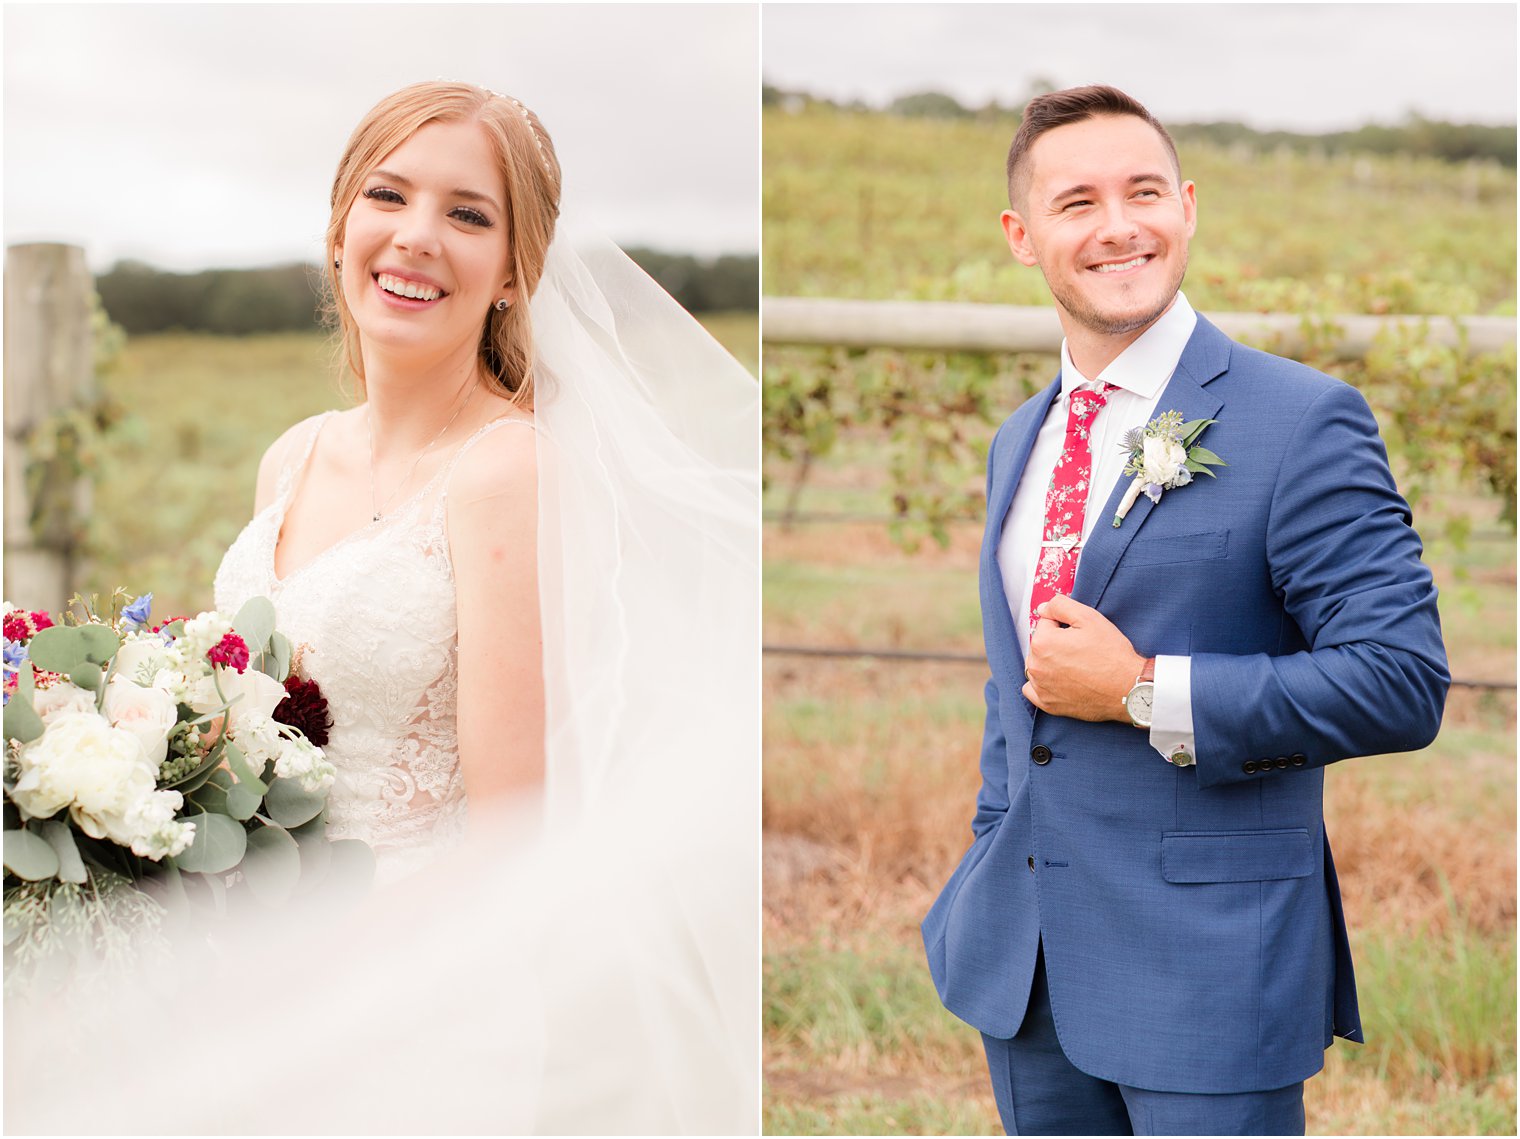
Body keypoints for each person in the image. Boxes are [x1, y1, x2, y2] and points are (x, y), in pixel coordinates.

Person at [7, 81, 759, 1134]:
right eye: (387, 195)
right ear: (338, 229)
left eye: (467, 214)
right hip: (241, 974)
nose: (415, 238)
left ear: (514, 273)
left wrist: (298, 973)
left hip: (414, 1000)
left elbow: (509, 837)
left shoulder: (511, 474)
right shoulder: (293, 453)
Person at [921, 85, 1448, 1136]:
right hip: (1024, 963)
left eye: (1143, 191)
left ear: (1187, 207)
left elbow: (1400, 681)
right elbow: (1013, 680)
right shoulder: (1018, 437)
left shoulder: (1299, 420)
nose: (1118, 225)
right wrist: (990, 840)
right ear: (1021, 237)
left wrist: (1139, 690)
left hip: (1210, 962)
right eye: (1076, 202)